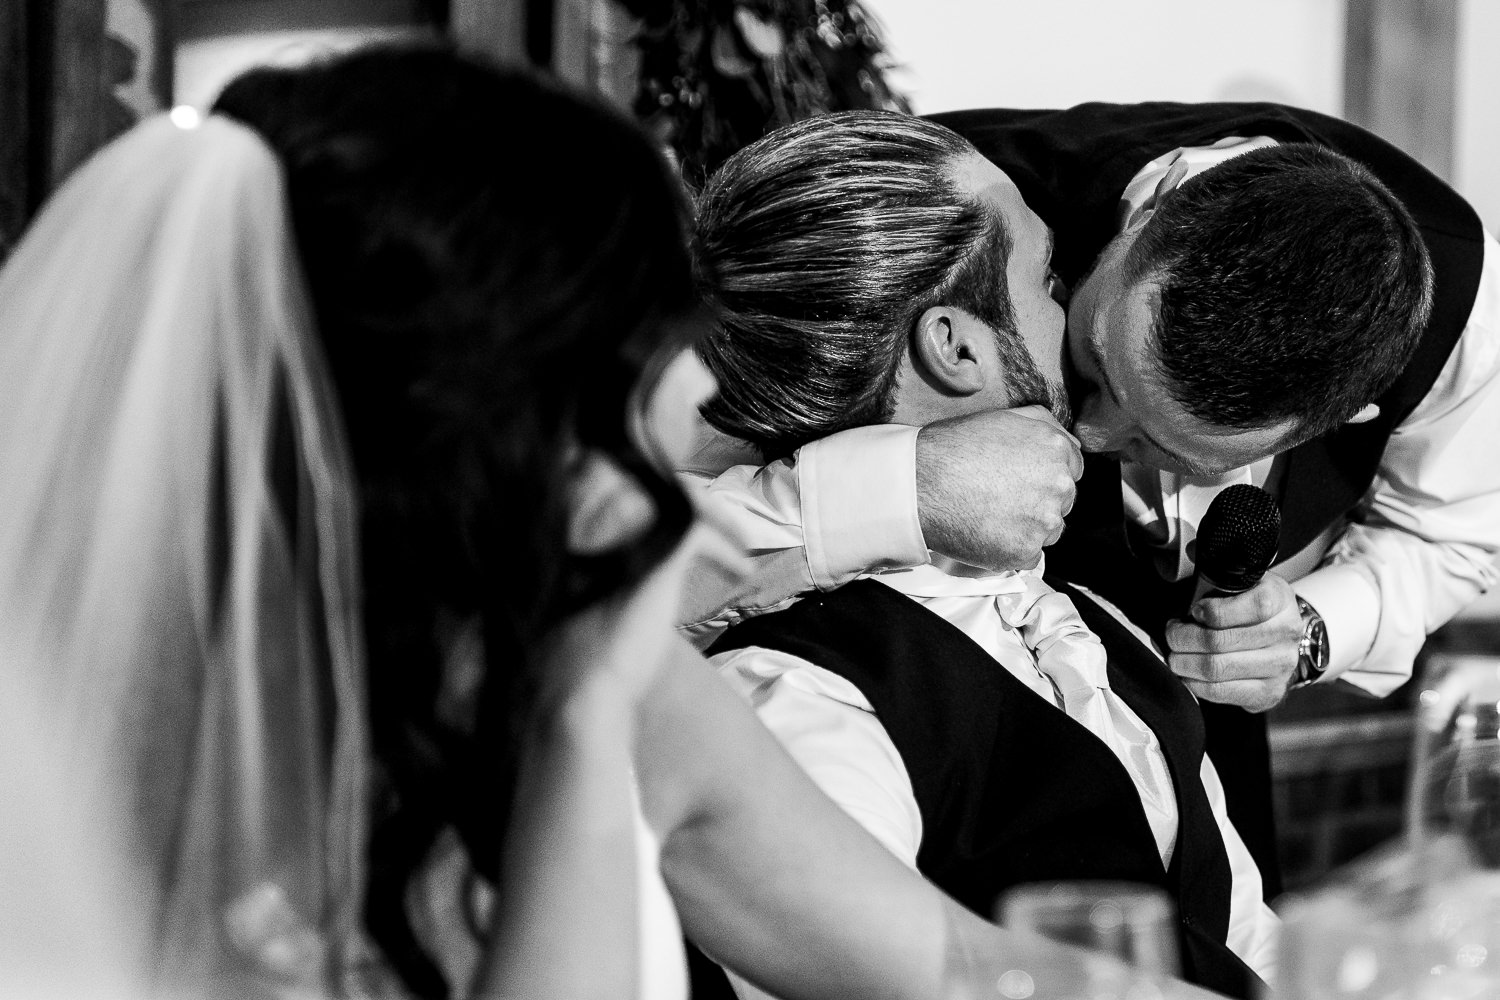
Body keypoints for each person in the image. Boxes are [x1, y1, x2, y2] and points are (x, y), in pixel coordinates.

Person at [0, 43, 1233, 1000]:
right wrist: (582, 721)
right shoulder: (74, 759)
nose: (705, 385)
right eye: (649, 339)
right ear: (487, 391)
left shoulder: (643, 685)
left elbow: (960, 969)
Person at [682, 100, 1499, 895]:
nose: (1096, 438)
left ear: (1343, 417)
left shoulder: (1452, 306)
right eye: (1096, 366)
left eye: (1163, 444)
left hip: (1194, 747)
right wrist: (908, 487)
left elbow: (1456, 535)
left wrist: (1310, 631)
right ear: (1145, 221)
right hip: (946, 728)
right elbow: (617, 549)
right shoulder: (939, 221)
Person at [689, 111, 1278, 1000]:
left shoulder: (1102, 626)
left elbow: (1246, 943)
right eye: (1044, 277)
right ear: (956, 347)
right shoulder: (805, 694)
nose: (1068, 299)